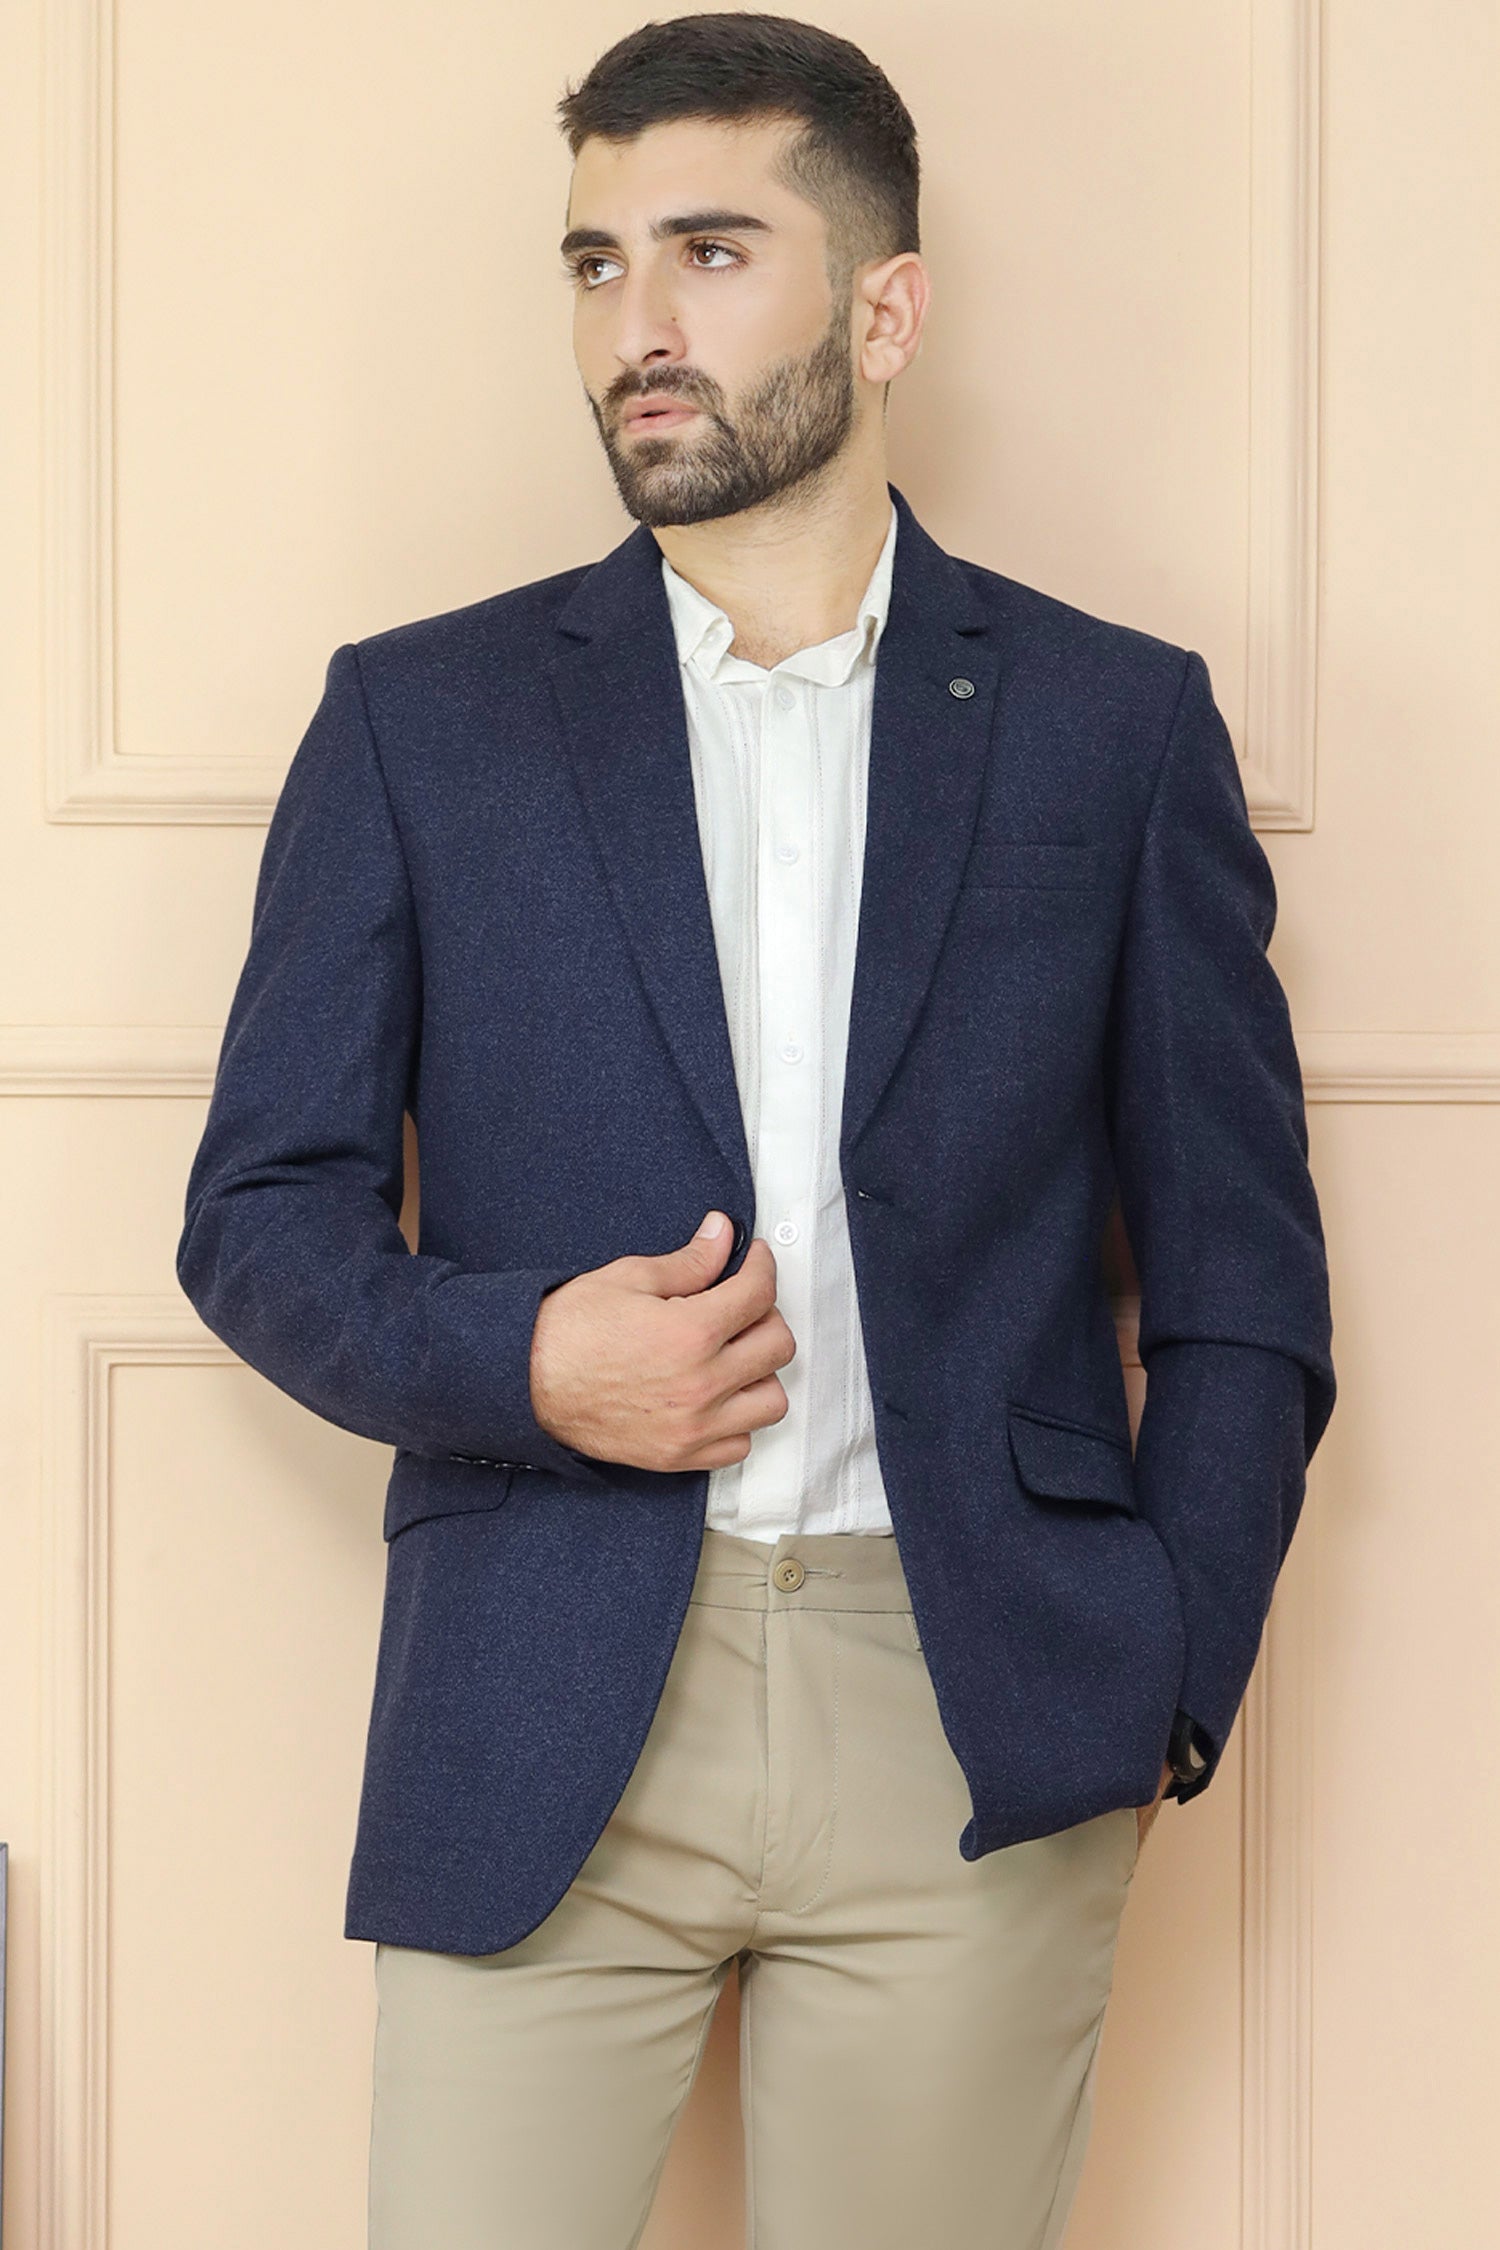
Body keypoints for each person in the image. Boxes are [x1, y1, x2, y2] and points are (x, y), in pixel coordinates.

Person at [176, 14, 1336, 2246]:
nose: (640, 324)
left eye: (710, 252)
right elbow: (259, 1214)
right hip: (542, 1690)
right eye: (596, 261)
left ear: (884, 309)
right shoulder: (421, 719)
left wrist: (1165, 1677)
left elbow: (1241, 1283)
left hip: (977, 1704)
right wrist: (529, 1359)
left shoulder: (1113, 727)